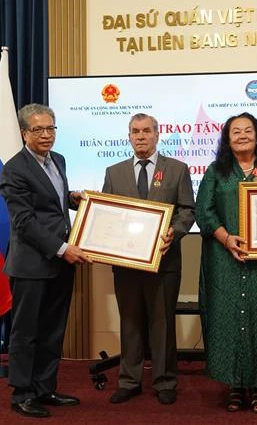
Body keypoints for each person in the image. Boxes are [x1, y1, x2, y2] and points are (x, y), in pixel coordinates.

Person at [0, 103, 92, 418]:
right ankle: (22, 393)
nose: (46, 134)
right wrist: (64, 249)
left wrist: (72, 199)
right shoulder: (14, 169)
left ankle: (44, 387)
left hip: (59, 262)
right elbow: (25, 222)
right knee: (26, 332)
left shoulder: (59, 160)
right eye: (38, 129)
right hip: (32, 264)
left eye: (51, 128)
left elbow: (49, 201)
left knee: (53, 329)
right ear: (25, 132)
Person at [196, 112, 257, 414]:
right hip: (224, 261)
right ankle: (234, 387)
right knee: (228, 319)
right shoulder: (215, 172)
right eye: (236, 131)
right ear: (227, 138)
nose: (243, 135)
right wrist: (225, 238)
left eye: (249, 130)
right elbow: (204, 212)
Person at [102, 113, 195, 405]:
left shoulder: (177, 169)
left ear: (157, 135)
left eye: (146, 131)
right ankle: (129, 381)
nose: (140, 136)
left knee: (162, 323)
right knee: (130, 322)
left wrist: (174, 232)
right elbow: (106, 214)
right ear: (128, 136)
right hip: (126, 264)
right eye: (135, 131)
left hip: (164, 263)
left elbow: (187, 210)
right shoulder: (114, 172)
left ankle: (165, 381)